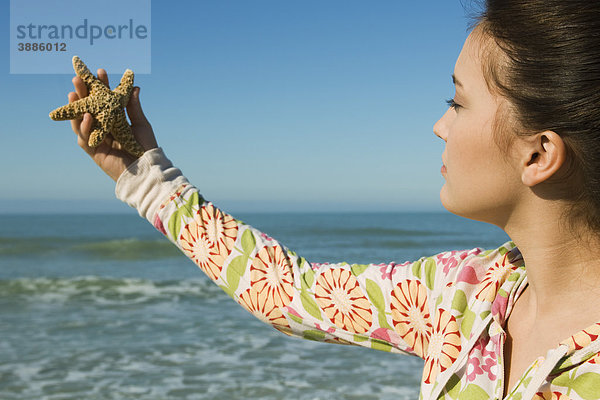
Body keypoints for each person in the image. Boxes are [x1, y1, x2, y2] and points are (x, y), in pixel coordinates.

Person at [63, 1, 600, 398]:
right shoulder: (467, 296)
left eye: (456, 103)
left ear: (538, 155)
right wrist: (144, 177)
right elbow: (288, 292)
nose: (439, 126)